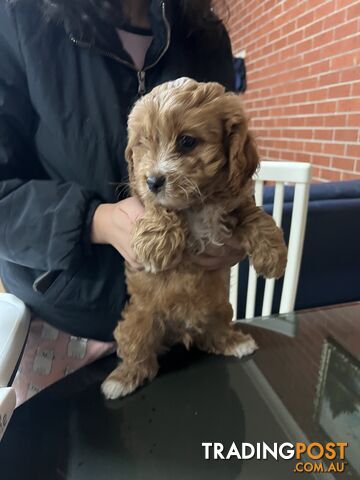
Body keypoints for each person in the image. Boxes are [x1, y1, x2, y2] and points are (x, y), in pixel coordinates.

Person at [0, 0, 246, 401]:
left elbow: (228, 166)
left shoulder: (205, 34)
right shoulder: (18, 17)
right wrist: (95, 220)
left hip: (191, 327)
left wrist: (234, 228)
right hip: (66, 333)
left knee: (208, 454)